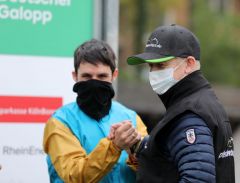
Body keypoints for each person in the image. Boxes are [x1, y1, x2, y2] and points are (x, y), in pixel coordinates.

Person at [126, 24, 235, 183]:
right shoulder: (202, 102)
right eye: (151, 66)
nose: (154, 73)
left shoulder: (189, 115)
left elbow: (198, 179)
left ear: (189, 64)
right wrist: (138, 145)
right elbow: (174, 152)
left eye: (161, 65)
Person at [43, 39, 147, 183]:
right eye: (87, 76)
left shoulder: (131, 118)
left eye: (102, 76)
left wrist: (135, 154)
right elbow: (75, 175)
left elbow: (152, 170)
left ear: (114, 75)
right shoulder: (60, 122)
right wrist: (114, 146)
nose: (94, 82)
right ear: (75, 76)